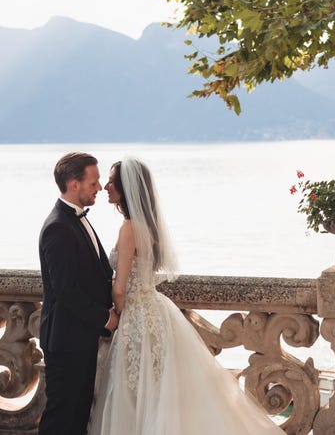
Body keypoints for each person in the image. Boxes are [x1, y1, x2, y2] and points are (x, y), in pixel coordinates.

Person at [88, 157, 285, 435]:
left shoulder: (129, 228)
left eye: (111, 181)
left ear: (126, 188)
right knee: (160, 389)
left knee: (134, 390)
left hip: (135, 316)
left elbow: (120, 288)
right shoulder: (147, 227)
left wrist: (116, 314)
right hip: (155, 310)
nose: (106, 186)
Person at [39, 152, 119, 435]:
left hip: (79, 338)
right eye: (94, 181)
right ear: (75, 184)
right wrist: (104, 318)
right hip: (65, 341)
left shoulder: (75, 220)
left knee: (78, 418)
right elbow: (66, 291)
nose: (99, 187)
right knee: (61, 419)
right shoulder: (58, 228)